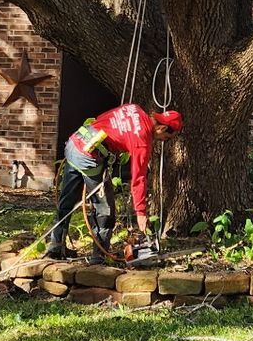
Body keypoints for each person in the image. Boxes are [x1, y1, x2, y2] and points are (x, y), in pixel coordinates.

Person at [43, 102, 182, 264]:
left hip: (75, 142)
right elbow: (138, 178)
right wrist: (141, 213)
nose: (163, 141)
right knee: (105, 209)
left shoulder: (134, 108)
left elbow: (104, 120)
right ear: (162, 128)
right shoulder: (142, 141)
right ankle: (98, 258)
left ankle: (55, 246)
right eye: (166, 138)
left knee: (67, 200)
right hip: (88, 156)